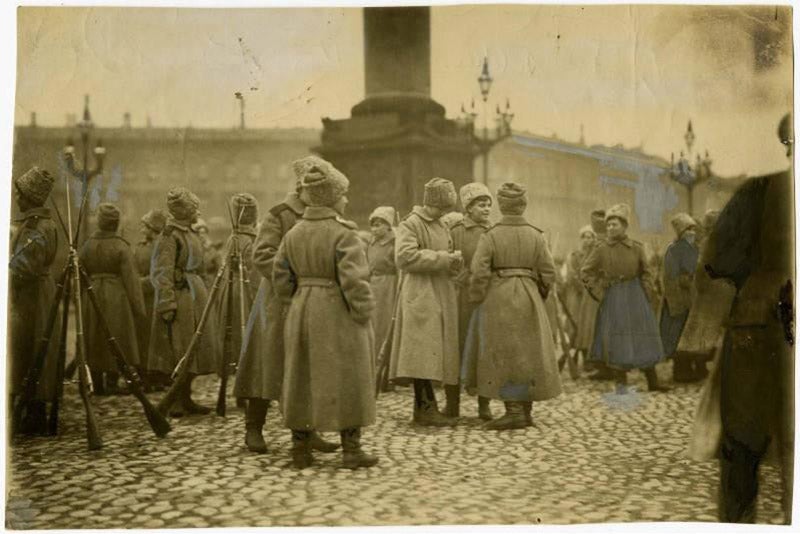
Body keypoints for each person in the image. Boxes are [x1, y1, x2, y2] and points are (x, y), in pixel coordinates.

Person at [706, 114, 793, 523]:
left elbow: (719, 257)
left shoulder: (762, 189)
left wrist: (757, 275)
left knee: (742, 442)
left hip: (761, 320)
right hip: (766, 321)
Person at [273, 157, 378, 469]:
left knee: (302, 374)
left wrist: (297, 300)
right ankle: (351, 449)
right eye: (343, 194)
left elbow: (281, 276)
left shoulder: (293, 232)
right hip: (338, 310)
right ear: (333, 197)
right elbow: (354, 281)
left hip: (302, 308)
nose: (346, 199)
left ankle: (301, 449)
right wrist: (364, 313)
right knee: (349, 373)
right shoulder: (345, 233)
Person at [234, 157, 340, 455]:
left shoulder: (321, 215)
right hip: (276, 300)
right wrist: (291, 281)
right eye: (315, 188)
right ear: (301, 187)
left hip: (308, 300)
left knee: (304, 366)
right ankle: (253, 429)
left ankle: (307, 430)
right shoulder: (279, 214)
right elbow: (263, 254)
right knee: (266, 364)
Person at [466, 182, 562, 429]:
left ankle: (514, 411)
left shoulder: (491, 235)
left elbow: (479, 271)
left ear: (501, 205)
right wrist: (539, 293)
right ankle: (525, 410)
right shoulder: (536, 234)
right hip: (530, 295)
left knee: (506, 353)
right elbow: (548, 272)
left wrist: (476, 297)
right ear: (523, 206)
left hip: (498, 297)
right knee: (527, 354)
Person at [389, 177, 462, 427]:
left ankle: (428, 406)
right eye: (443, 206)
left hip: (439, 290)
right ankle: (424, 409)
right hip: (420, 293)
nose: (445, 212)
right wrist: (443, 258)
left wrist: (453, 263)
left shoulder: (441, 224)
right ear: (432, 202)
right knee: (421, 352)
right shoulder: (411, 224)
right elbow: (404, 257)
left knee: (432, 352)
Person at [148, 187, 221, 417]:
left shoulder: (189, 233)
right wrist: (167, 303)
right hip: (179, 299)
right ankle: (176, 400)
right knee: (178, 349)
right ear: (183, 211)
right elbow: (161, 272)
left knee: (194, 350)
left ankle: (187, 396)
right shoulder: (170, 236)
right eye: (193, 208)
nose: (196, 212)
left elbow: (200, 265)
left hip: (195, 296)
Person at [581, 203, 668, 393]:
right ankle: (621, 384)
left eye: (615, 224)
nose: (611, 228)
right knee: (617, 338)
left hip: (636, 296)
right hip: (614, 297)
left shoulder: (636, 248)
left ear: (625, 226)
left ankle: (653, 381)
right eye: (609, 225)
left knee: (643, 336)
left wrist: (646, 292)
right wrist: (599, 292)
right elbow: (586, 272)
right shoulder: (601, 248)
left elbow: (646, 272)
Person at [9, 167, 60, 435]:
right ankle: (30, 409)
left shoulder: (34, 226)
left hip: (32, 295)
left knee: (29, 348)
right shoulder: (40, 223)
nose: (17, 200)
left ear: (29, 197)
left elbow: (23, 267)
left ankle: (34, 411)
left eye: (20, 195)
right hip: (38, 292)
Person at [80, 203, 146, 395]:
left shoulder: (87, 245)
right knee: (116, 335)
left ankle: (97, 382)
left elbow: (79, 272)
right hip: (116, 296)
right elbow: (131, 280)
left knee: (94, 337)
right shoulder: (121, 246)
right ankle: (111, 381)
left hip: (91, 296)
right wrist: (138, 307)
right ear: (116, 224)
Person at [675, 209, 734, 382]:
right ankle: (688, 369)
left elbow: (702, 267)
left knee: (699, 331)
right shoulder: (720, 242)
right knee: (702, 331)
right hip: (715, 291)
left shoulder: (713, 242)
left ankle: (691, 369)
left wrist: (700, 286)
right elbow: (704, 267)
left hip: (712, 291)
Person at [452, 182, 493, 420]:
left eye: (488, 205)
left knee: (483, 350)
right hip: (461, 300)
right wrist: (462, 275)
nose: (486, 209)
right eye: (481, 204)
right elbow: (450, 260)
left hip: (487, 299)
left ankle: (484, 403)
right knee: (458, 347)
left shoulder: (493, 230)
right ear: (468, 208)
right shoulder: (456, 231)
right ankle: (453, 403)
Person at [214, 193, 258, 379]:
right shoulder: (251, 240)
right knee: (246, 336)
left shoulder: (234, 239)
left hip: (229, 291)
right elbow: (253, 273)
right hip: (244, 293)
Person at [659, 213, 700, 382]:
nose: (692, 232)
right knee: (677, 336)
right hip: (677, 302)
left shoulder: (694, 249)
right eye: (688, 229)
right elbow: (669, 278)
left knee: (689, 335)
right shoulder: (673, 250)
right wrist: (677, 301)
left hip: (691, 299)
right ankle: (680, 371)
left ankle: (689, 368)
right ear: (680, 232)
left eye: (693, 229)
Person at [134, 208, 167, 390]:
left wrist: (140, 283)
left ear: (153, 228)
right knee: (143, 337)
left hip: (156, 296)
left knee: (157, 339)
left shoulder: (161, 246)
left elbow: (160, 273)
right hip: (142, 299)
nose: (142, 229)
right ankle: (144, 376)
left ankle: (158, 377)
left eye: (145, 226)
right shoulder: (140, 246)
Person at [366, 206, 399, 392]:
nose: (375, 229)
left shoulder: (394, 243)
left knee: (386, 328)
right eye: (373, 225)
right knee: (374, 327)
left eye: (379, 225)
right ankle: (374, 371)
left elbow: (398, 269)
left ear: (388, 226)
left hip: (388, 287)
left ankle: (386, 375)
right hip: (373, 286)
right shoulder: (371, 243)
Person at [569, 226, 599, 370]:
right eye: (585, 237)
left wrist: (589, 288)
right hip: (577, 296)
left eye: (590, 237)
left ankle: (590, 358)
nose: (587, 240)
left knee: (590, 326)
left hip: (591, 296)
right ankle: (579, 355)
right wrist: (580, 286)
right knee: (576, 326)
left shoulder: (596, 254)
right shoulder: (575, 256)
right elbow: (573, 274)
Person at [194, 218, 223, 289]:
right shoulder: (193, 249)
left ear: (206, 234)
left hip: (210, 283)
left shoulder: (212, 250)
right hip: (196, 283)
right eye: (199, 233)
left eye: (203, 233)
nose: (201, 235)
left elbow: (220, 269)